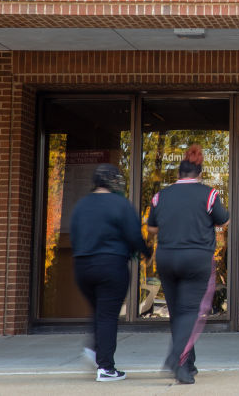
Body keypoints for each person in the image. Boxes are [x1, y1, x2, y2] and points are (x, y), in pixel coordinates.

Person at [147, 159, 229, 384]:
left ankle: (188, 362)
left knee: (177, 312)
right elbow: (223, 219)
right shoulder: (209, 194)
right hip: (196, 258)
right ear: (199, 174)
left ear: (179, 174)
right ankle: (178, 360)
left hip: (166, 258)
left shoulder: (160, 196)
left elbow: (152, 227)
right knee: (190, 312)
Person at [69, 163, 150, 382]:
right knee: (107, 315)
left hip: (83, 265)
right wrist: (145, 252)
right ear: (113, 182)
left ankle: (94, 351)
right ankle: (105, 367)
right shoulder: (120, 204)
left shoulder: (81, 205)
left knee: (98, 310)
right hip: (111, 265)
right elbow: (134, 235)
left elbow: (74, 236)